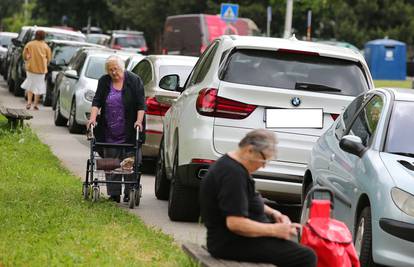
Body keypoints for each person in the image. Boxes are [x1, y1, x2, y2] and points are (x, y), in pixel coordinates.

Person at [200, 129, 317, 267]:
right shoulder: (232, 175)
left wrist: (274, 213)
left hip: (237, 240)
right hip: (231, 243)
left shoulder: (232, 165)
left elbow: (247, 198)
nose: (263, 165)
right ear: (249, 150)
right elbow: (235, 224)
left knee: (296, 247)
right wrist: (275, 230)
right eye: (263, 159)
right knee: (306, 256)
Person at [87, 55, 146, 203]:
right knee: (111, 163)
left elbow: (141, 104)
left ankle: (129, 191)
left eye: (116, 69)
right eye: (110, 70)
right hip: (109, 131)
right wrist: (93, 118)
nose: (114, 72)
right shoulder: (104, 81)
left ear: (122, 67)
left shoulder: (134, 80)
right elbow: (97, 101)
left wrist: (139, 121)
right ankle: (113, 194)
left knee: (129, 162)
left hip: (129, 131)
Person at [21, 30, 52, 110]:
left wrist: (27, 59)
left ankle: (29, 103)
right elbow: (49, 58)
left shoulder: (29, 44)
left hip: (30, 68)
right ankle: (35, 104)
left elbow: (24, 55)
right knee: (39, 86)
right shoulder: (46, 46)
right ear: (43, 36)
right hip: (41, 70)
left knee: (30, 85)